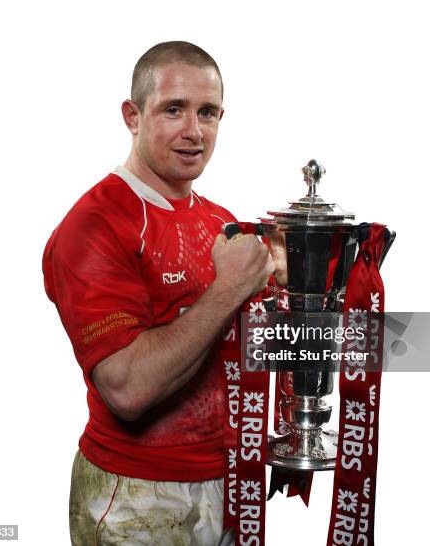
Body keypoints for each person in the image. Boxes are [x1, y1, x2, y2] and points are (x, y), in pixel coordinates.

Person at [42, 41, 274, 545]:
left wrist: (282, 430)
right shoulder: (95, 226)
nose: (194, 131)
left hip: (231, 482)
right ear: (132, 115)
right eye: (174, 109)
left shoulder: (223, 223)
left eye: (208, 112)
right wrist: (230, 287)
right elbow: (127, 389)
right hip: (137, 492)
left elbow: (247, 350)